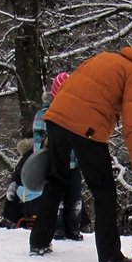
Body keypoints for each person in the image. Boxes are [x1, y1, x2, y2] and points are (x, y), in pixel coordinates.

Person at [28, 47, 132, 262]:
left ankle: (38, 241)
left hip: (57, 116)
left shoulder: (109, 58)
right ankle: (110, 257)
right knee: (104, 191)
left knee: (57, 179)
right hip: (86, 124)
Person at [32, 71, 83, 240]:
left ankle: (73, 228)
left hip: (75, 162)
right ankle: (57, 227)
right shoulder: (44, 115)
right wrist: (41, 159)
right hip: (54, 162)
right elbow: (38, 139)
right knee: (56, 198)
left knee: (74, 198)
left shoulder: (78, 114)